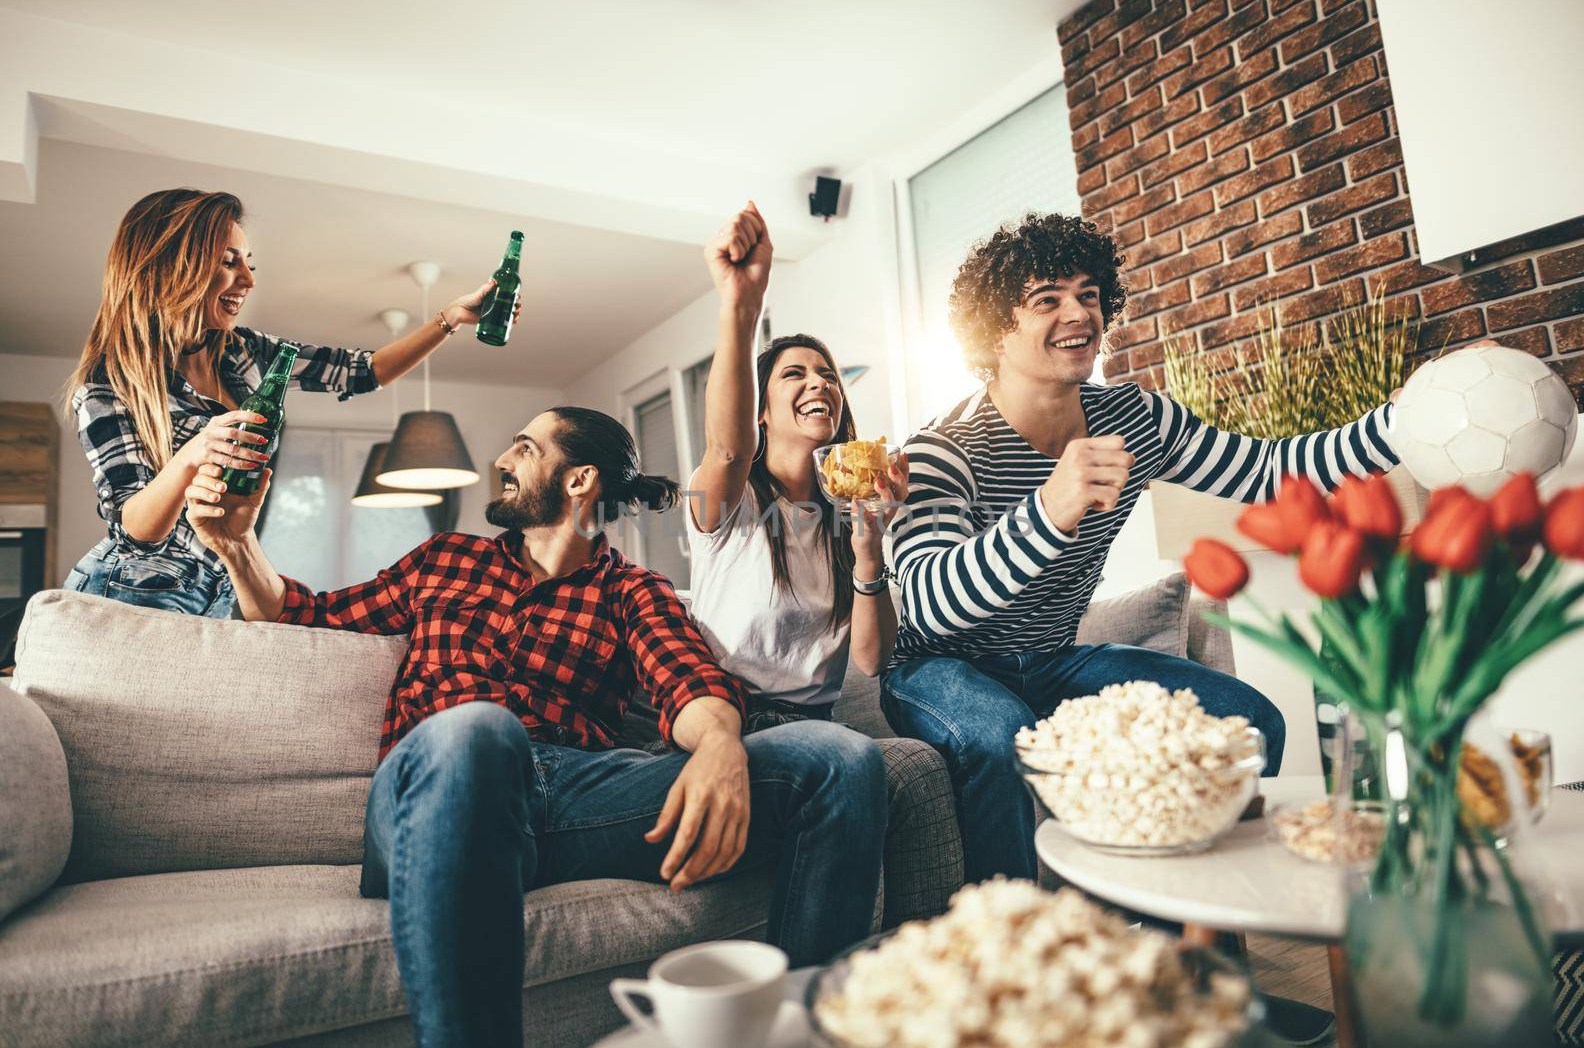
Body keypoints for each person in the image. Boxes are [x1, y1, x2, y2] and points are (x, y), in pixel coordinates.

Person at [182, 404, 887, 1047]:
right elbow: (307, 612)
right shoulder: (445, 559)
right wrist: (237, 546)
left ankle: (805, 1032)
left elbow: (688, 679)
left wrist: (722, 743)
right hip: (440, 788)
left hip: (574, 796)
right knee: (479, 730)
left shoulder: (629, 587)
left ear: (578, 479)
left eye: (523, 447)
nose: (502, 461)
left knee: (840, 759)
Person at [884, 212, 1412, 886]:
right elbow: (931, 607)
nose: (1078, 312)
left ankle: (1191, 921)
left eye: (1088, 294)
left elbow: (1267, 472)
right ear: (995, 331)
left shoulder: (1134, 418)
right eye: (1047, 299)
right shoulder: (942, 450)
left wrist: (1397, 424)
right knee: (1002, 734)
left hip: (1050, 658)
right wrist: (1050, 508)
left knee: (1247, 720)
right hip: (939, 670)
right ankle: (1017, 948)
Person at [63, 187, 503, 617]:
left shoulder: (246, 353)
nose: (248, 280)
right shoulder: (110, 384)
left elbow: (363, 371)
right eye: (228, 262)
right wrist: (192, 455)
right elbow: (135, 531)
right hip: (129, 591)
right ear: (172, 267)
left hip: (217, 588)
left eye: (249, 264)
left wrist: (451, 319)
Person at [686, 202, 908, 731]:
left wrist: (869, 549)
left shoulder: (851, 515)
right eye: (795, 374)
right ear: (760, 410)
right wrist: (741, 307)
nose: (820, 383)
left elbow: (872, 661)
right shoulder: (732, 502)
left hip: (814, 721)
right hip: (726, 717)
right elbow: (728, 449)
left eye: (828, 375)